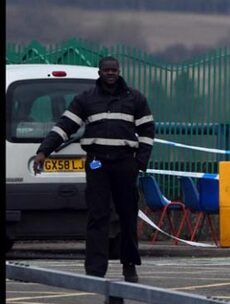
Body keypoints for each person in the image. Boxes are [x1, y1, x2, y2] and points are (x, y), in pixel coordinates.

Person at [33, 56, 155, 283]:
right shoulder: (85, 99)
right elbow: (64, 127)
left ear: (119, 72)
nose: (111, 73)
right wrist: (44, 151)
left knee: (127, 216)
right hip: (97, 163)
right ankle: (95, 272)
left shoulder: (135, 98)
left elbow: (148, 130)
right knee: (98, 216)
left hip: (125, 163)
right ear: (100, 72)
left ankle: (130, 266)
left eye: (114, 70)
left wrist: (140, 162)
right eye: (107, 70)